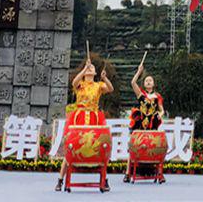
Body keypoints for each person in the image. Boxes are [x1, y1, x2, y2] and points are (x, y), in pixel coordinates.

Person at [56, 58, 114, 192]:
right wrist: (83, 69)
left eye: (92, 68)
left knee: (99, 147)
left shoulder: (98, 85)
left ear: (95, 73)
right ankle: (60, 179)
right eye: (88, 67)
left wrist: (105, 79)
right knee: (72, 146)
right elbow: (74, 82)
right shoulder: (80, 84)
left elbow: (110, 89)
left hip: (94, 117)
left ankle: (104, 180)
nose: (90, 68)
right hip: (79, 117)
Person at [124, 55, 165, 183]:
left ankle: (159, 173)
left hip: (152, 124)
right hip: (140, 124)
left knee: (155, 148)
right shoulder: (141, 95)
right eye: (146, 80)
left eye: (150, 80)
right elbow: (132, 83)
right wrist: (139, 72)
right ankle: (127, 173)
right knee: (134, 147)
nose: (148, 82)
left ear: (153, 83)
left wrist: (161, 114)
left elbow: (161, 109)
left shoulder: (157, 96)